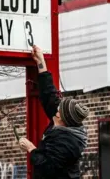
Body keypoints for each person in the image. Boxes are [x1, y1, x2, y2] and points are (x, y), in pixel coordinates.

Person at [18, 45, 89, 179]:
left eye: (59, 109)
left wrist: (31, 148)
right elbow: (49, 95)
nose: (56, 107)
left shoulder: (67, 143)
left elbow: (48, 168)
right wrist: (41, 63)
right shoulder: (65, 121)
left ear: (61, 118)